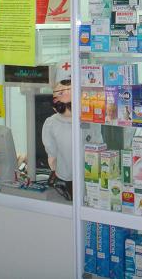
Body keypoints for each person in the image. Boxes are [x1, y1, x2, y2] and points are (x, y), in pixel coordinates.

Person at [42, 63, 101, 200]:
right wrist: (53, 165)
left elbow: (97, 144)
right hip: (64, 174)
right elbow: (51, 150)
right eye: (61, 93)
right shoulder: (51, 123)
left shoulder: (89, 120)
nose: (66, 97)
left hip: (89, 175)